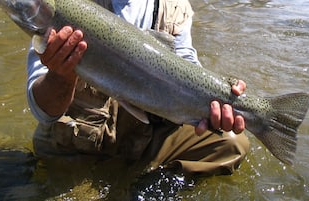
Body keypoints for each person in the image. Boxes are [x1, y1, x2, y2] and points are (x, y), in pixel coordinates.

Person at [27, 0, 250, 176]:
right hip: (77, 145)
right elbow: (44, 112)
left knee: (230, 143)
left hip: (142, 140)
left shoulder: (175, 7)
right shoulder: (64, 7)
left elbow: (188, 67)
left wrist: (220, 98)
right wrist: (61, 74)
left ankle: (145, 186)